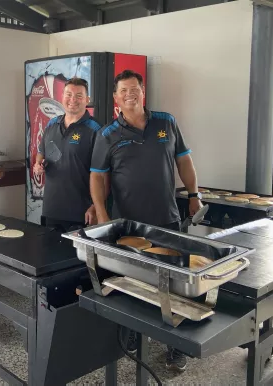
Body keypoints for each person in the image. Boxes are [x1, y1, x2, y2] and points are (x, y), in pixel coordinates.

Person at [89, 69, 203, 371]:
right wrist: (103, 216)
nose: (130, 95)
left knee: (174, 286)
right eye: (123, 91)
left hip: (167, 220)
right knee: (132, 284)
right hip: (128, 226)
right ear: (116, 98)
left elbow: (184, 160)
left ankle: (177, 346)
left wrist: (194, 194)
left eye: (135, 89)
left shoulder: (166, 122)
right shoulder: (107, 134)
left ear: (143, 92)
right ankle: (132, 337)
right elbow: (97, 178)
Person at [33, 77, 101, 232]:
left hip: (81, 214)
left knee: (76, 257)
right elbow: (41, 152)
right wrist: (38, 165)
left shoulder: (96, 130)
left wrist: (95, 207)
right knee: (49, 255)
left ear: (87, 99)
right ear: (61, 97)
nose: (73, 100)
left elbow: (104, 174)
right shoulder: (52, 124)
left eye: (79, 96)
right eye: (69, 94)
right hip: (51, 209)